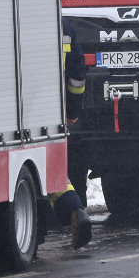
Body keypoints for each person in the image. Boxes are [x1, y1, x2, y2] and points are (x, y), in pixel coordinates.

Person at [45, 19, 93, 248]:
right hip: (53, 109)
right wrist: (72, 110)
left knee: (33, 173)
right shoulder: (65, 29)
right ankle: (75, 210)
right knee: (52, 169)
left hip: (19, 106)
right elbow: (77, 77)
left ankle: (35, 237)